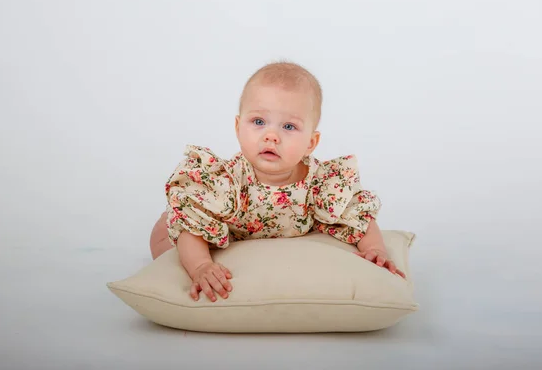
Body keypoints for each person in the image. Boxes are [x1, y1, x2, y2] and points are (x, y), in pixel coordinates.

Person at [149, 61, 406, 303]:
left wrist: (375, 249)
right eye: (258, 122)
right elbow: (194, 228)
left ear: (311, 143)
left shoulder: (322, 184)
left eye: (289, 127)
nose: (271, 136)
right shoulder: (225, 182)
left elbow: (358, 216)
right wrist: (201, 266)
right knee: (168, 240)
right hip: (222, 229)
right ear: (238, 127)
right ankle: (168, 223)